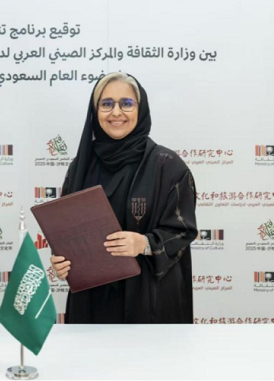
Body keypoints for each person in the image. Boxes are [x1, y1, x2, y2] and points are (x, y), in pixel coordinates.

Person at [50, 72, 197, 324]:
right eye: (106, 104)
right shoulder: (81, 166)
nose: (116, 112)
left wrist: (145, 243)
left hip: (148, 299)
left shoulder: (167, 166)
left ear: (141, 108)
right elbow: (66, 229)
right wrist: (61, 260)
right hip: (91, 299)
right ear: (95, 111)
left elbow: (183, 231)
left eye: (126, 103)